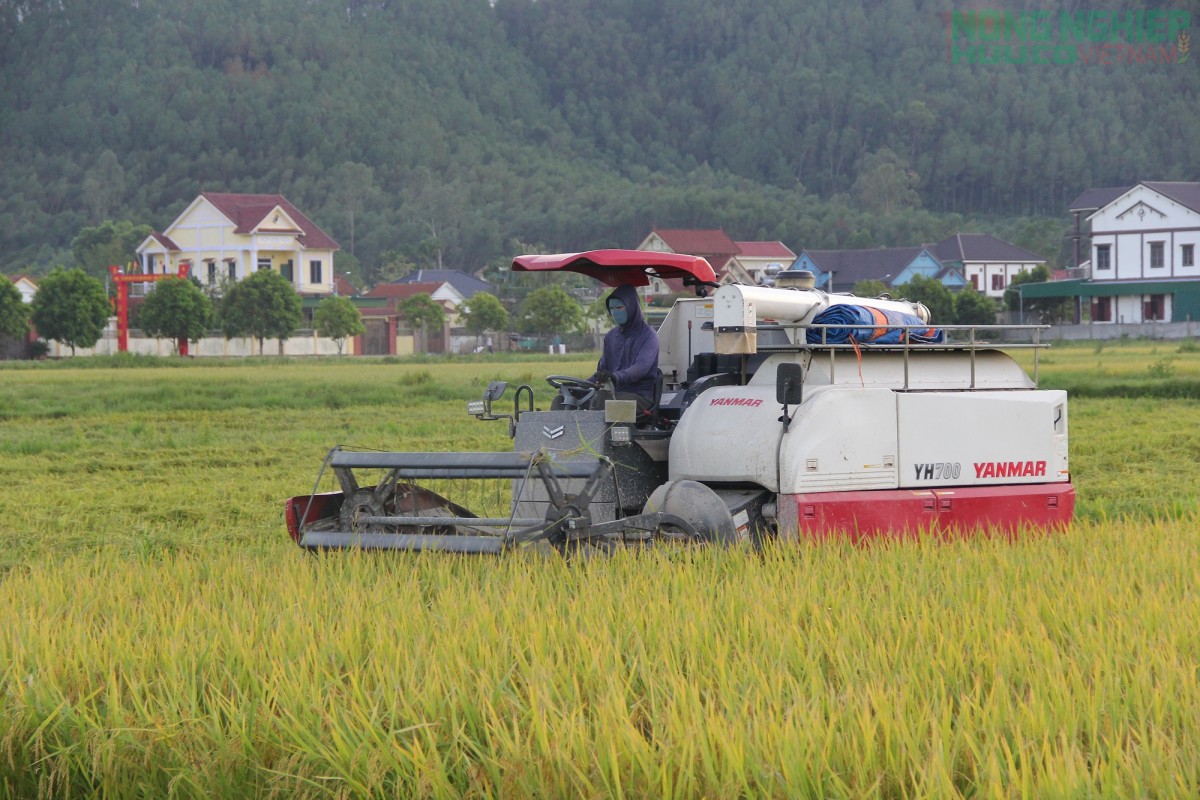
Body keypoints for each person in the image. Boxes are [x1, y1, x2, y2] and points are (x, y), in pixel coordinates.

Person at [590, 284, 659, 414]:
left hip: (640, 396)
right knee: (564, 400)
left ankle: (602, 435)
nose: (615, 312)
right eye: (611, 308)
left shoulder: (648, 335)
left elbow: (641, 368)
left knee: (605, 402)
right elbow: (602, 371)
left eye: (619, 307)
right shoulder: (611, 336)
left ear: (631, 307)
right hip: (613, 393)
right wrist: (577, 385)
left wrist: (616, 377)